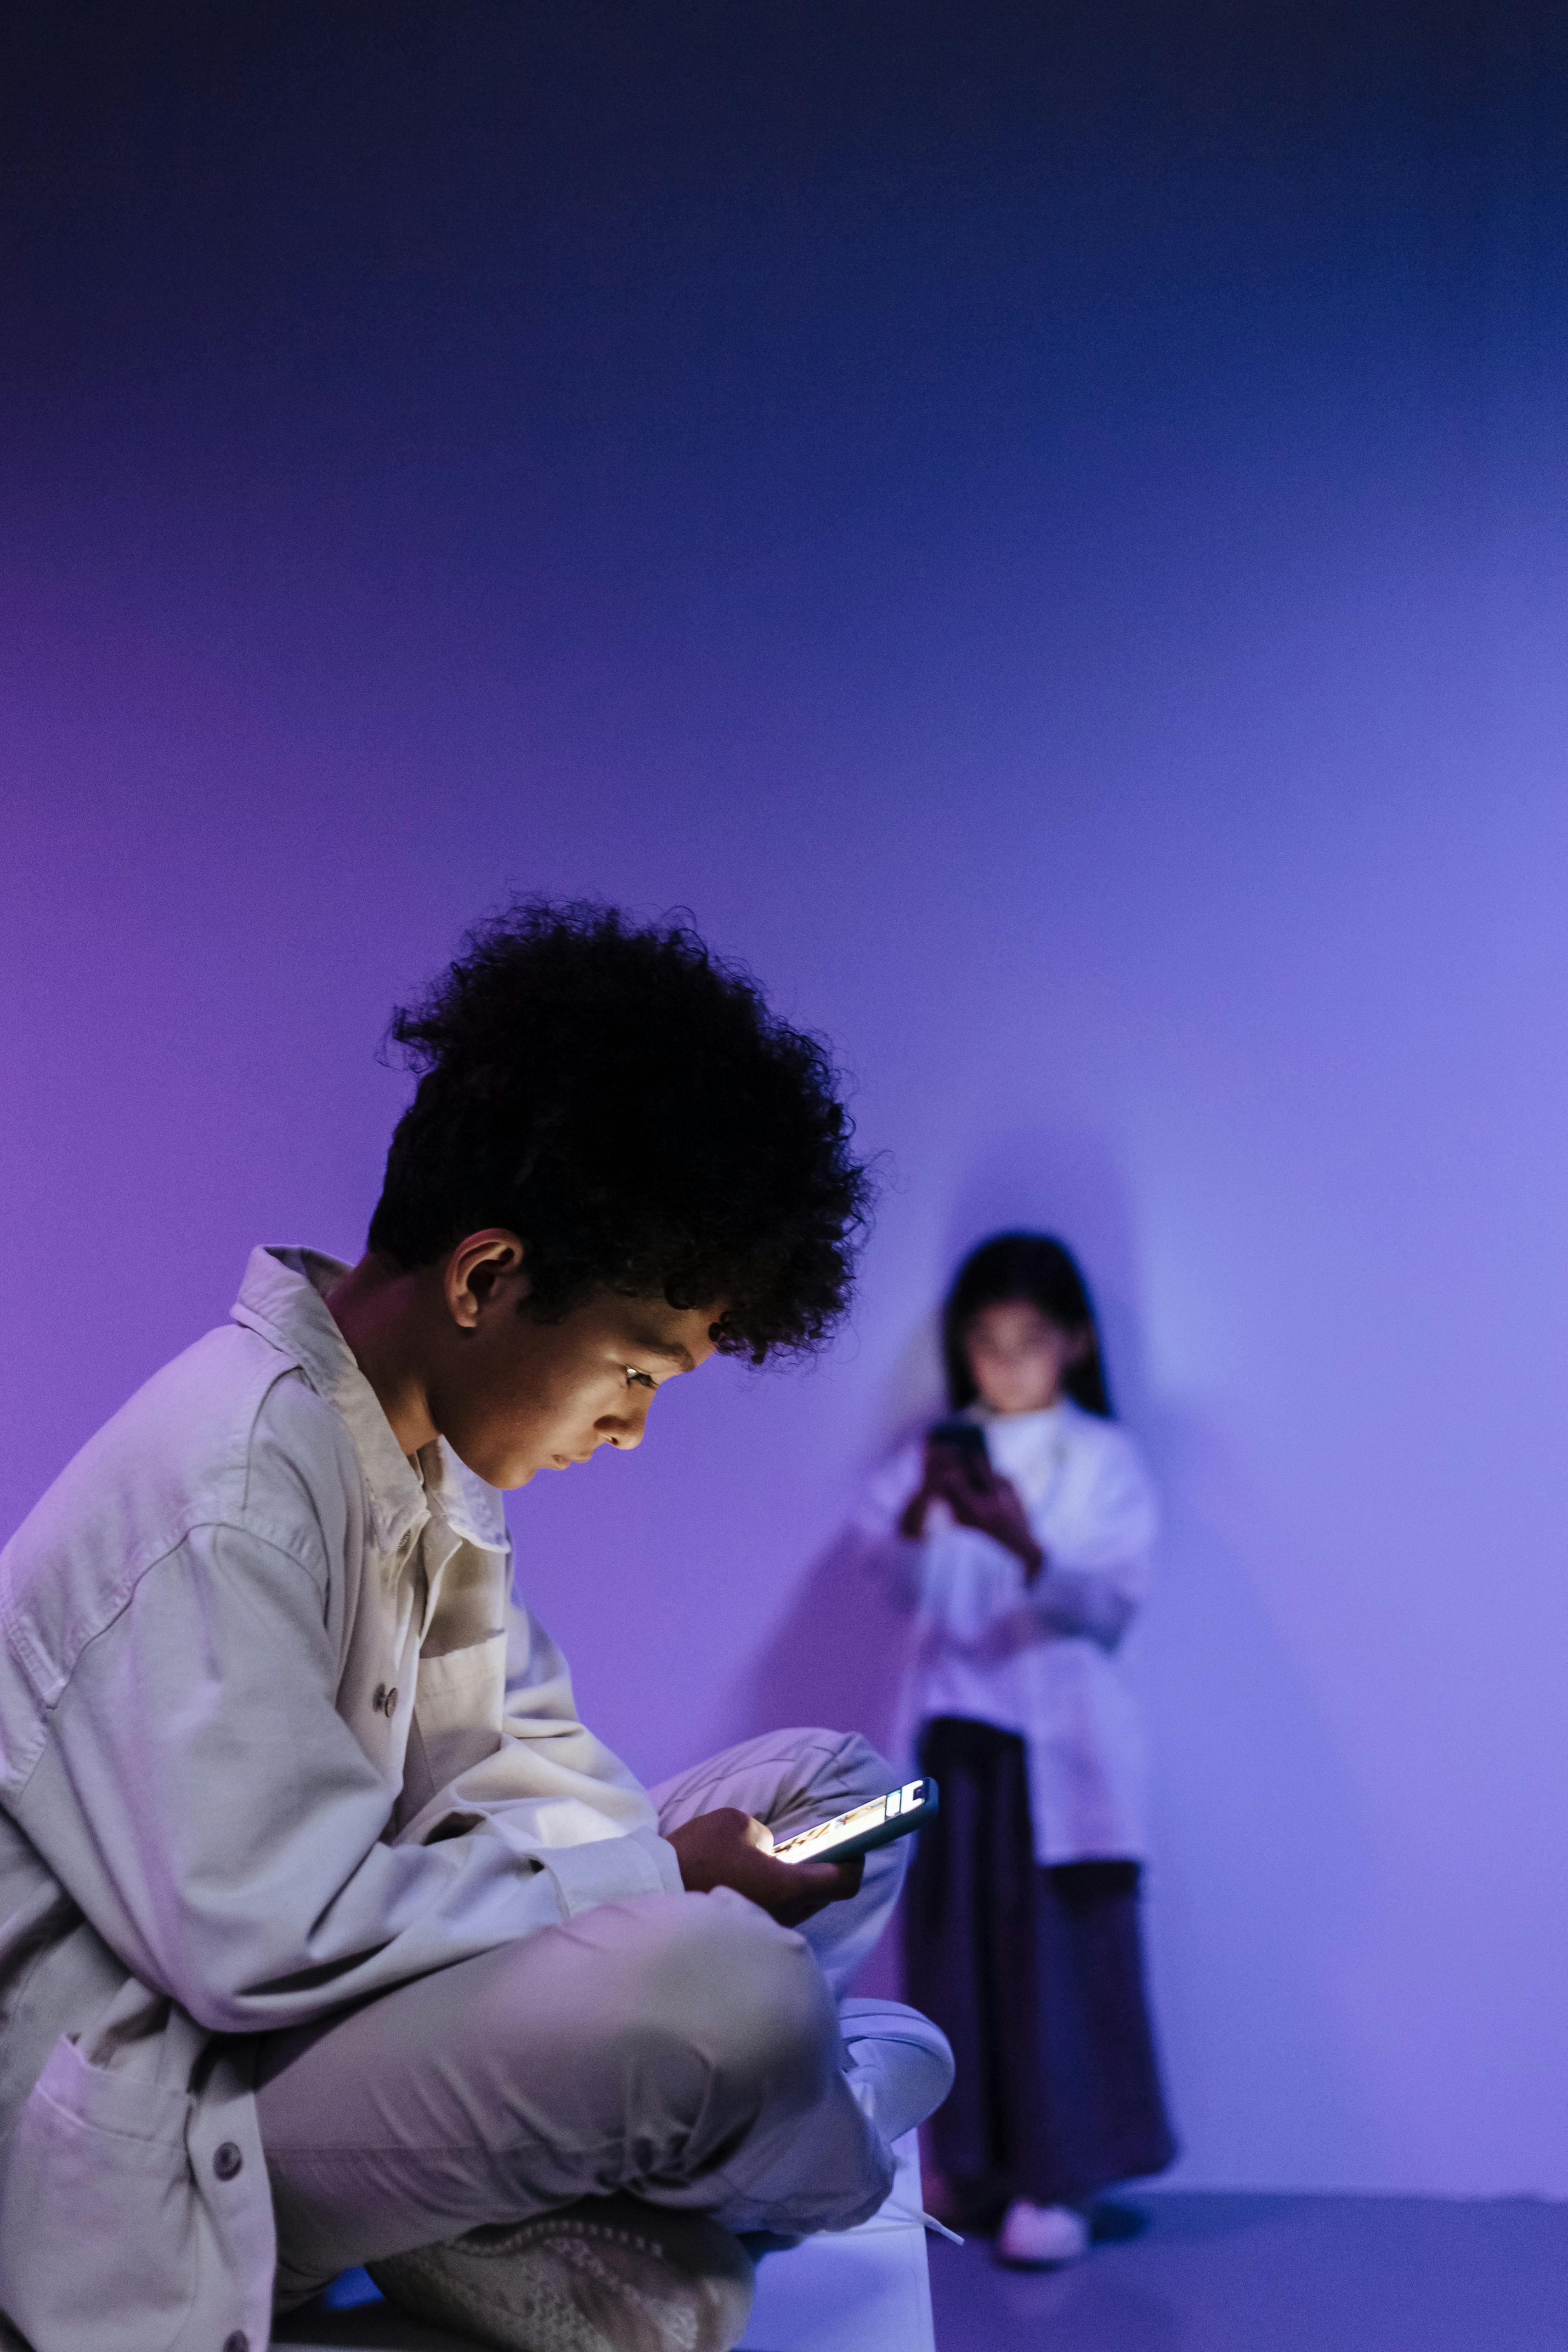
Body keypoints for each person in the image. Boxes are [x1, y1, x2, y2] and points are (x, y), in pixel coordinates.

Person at [0, 902, 952, 2352]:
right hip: (201, 2074)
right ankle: (823, 2157)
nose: (631, 1431)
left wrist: (670, 1879)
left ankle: (635, 2158)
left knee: (826, 1796)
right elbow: (263, 1945)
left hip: (351, 1995)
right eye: (635, 1371)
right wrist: (665, 1907)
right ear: (485, 1277)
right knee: (735, 2005)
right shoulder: (233, 1487)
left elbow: (525, 1774)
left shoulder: (418, 1458)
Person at [859, 1230, 1175, 2268]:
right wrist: (923, 1513)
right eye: (985, 1341)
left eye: (1028, 1341)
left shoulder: (1104, 1459)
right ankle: (972, 2166)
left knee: (1058, 1959)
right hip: (955, 1734)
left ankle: (1056, 2175)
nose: (1004, 1363)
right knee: (953, 1951)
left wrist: (1021, 1540)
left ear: (1075, 1342)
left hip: (1058, 1749)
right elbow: (895, 1577)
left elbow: (1111, 1595)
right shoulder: (934, 1448)